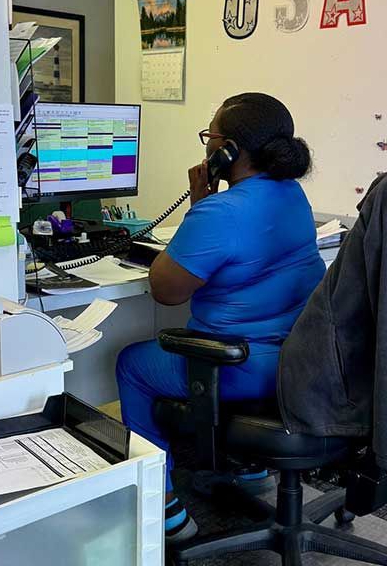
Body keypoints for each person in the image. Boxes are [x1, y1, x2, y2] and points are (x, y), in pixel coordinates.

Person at [116, 93, 325, 543]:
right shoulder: (293, 194)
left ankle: (163, 504)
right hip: (299, 360)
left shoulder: (220, 211)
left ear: (227, 149)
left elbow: (165, 290)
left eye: (209, 138)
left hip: (239, 368)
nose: (206, 147)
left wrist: (199, 206)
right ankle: (248, 472)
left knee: (132, 364)